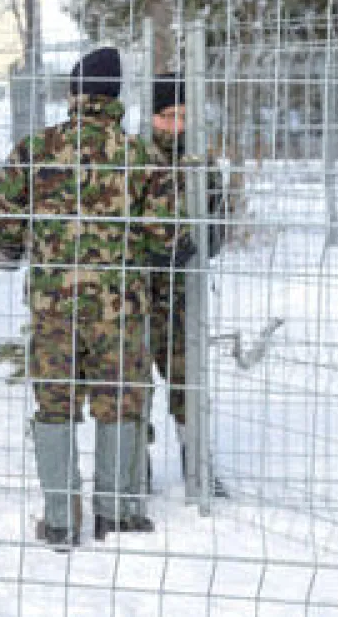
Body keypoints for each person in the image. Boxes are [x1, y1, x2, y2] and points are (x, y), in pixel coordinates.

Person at [0, 47, 185, 549]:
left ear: (74, 93)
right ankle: (118, 513)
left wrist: (26, 246)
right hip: (120, 310)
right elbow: (165, 237)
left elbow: (3, 231)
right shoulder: (141, 156)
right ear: (117, 96)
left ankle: (60, 518)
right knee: (120, 401)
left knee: (54, 404)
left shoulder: (35, 151)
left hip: (53, 308)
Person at [146, 72, 228, 497]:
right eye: (167, 116)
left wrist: (198, 240)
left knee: (188, 383)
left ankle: (197, 468)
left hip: (184, 295)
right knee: (132, 385)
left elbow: (218, 227)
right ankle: (130, 468)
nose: (176, 126)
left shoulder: (202, 164)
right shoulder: (133, 160)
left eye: (183, 116)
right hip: (136, 294)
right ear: (152, 117)